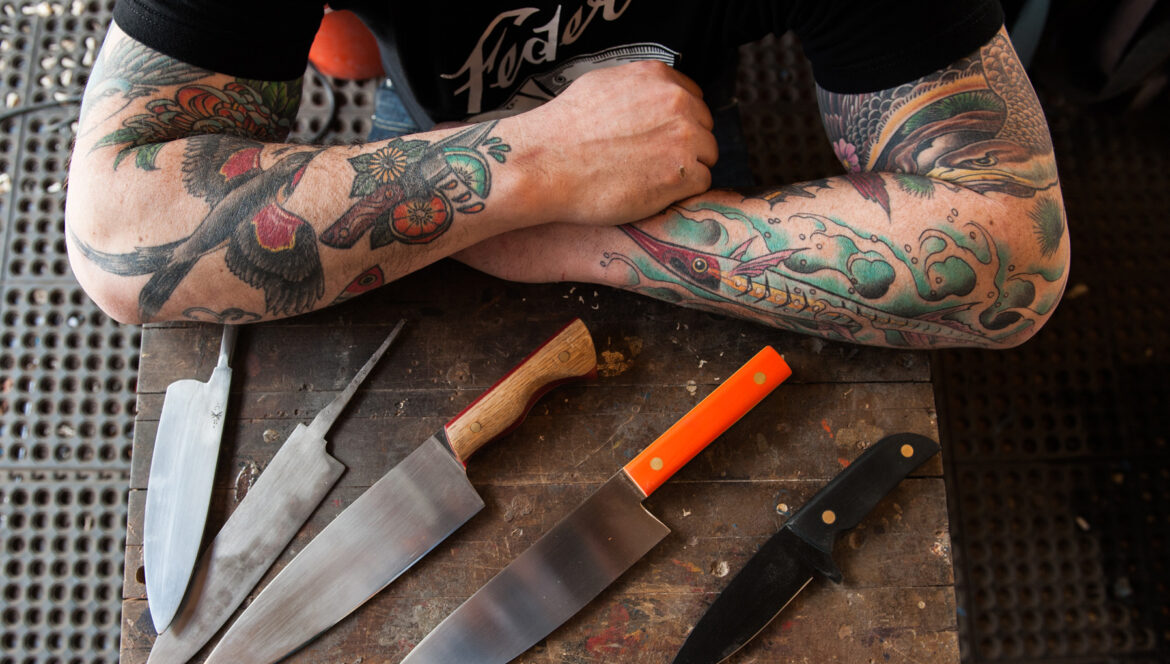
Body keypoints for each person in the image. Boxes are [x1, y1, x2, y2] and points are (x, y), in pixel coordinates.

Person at [65, 1, 1069, 349]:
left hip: (672, 151)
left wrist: (578, 234)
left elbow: (1013, 253)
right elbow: (120, 229)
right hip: (443, 136)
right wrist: (534, 166)